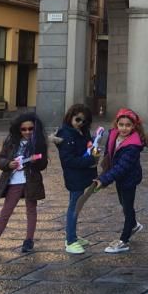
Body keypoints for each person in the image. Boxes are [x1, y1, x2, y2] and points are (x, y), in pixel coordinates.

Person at [0, 112, 49, 256]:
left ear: (35, 129)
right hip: (14, 181)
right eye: (24, 129)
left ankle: (29, 240)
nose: (27, 132)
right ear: (18, 129)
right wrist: (8, 163)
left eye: (30, 129)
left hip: (31, 181)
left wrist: (35, 162)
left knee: (31, 210)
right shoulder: (11, 142)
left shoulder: (38, 143)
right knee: (5, 212)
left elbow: (43, 164)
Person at [96, 108, 148, 254]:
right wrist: (103, 173)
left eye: (128, 125)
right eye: (121, 124)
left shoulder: (133, 145)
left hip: (129, 178)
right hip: (118, 177)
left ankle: (124, 240)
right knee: (123, 203)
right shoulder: (113, 135)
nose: (124, 128)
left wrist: (104, 180)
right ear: (116, 124)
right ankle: (133, 225)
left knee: (127, 207)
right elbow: (109, 155)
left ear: (134, 127)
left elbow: (121, 167)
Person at [54, 104, 98, 254]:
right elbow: (68, 160)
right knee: (74, 207)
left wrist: (93, 152)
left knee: (77, 206)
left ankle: (73, 236)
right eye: (78, 119)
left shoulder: (82, 132)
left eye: (84, 121)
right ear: (70, 117)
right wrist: (90, 160)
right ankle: (70, 240)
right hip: (75, 176)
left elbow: (85, 150)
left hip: (84, 174)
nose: (81, 123)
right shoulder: (66, 135)